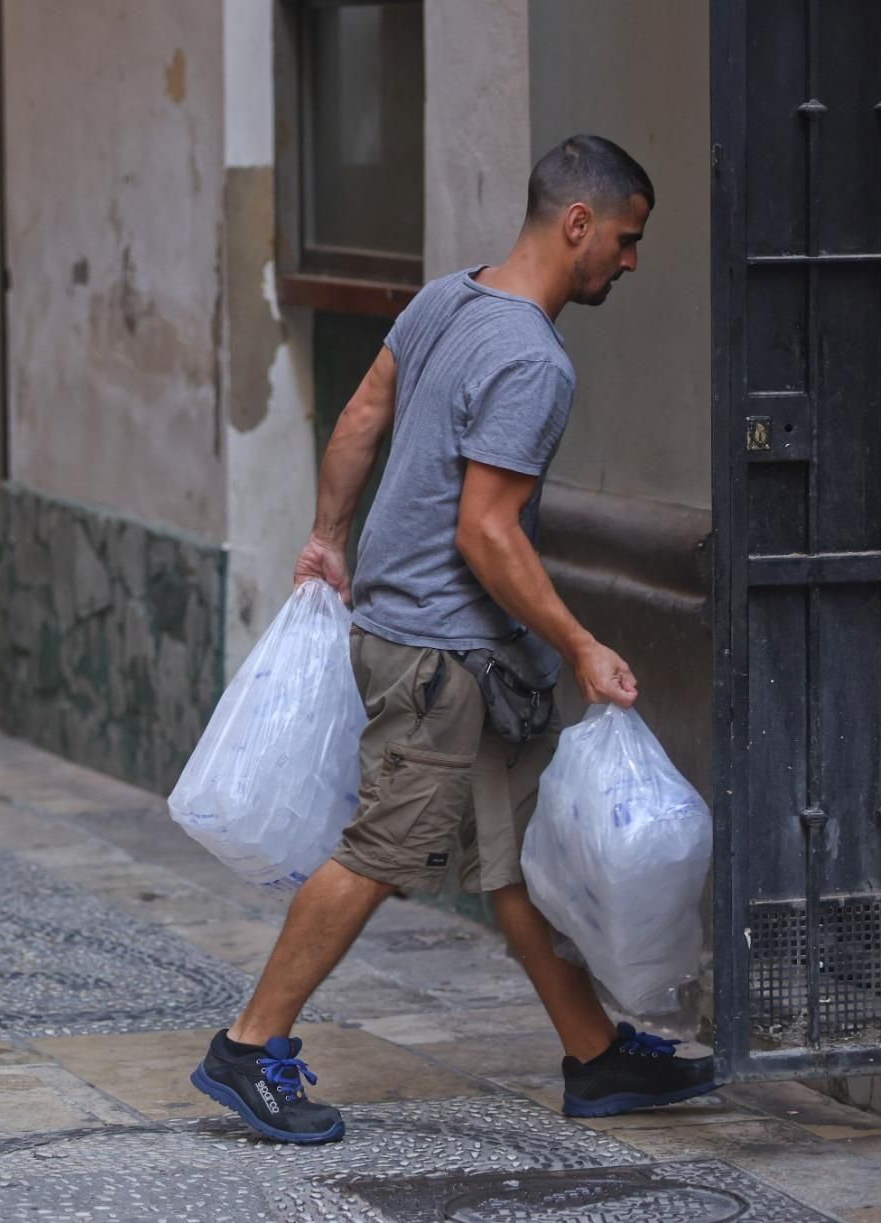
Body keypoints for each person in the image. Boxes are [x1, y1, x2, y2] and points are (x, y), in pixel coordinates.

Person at [190, 134, 715, 1143]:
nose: (629, 260)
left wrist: (327, 538)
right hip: (439, 658)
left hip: (432, 642)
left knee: (511, 861)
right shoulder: (533, 358)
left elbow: (360, 416)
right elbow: (486, 531)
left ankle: (596, 1057)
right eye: (626, 237)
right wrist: (577, 643)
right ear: (576, 225)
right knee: (380, 854)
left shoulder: (444, 297)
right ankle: (246, 1047)